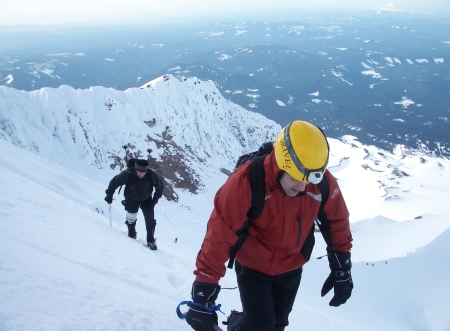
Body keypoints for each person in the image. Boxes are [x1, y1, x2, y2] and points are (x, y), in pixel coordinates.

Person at [185, 120, 353, 331]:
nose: (302, 187)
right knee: (261, 327)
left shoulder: (320, 181)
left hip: (292, 265)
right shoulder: (247, 181)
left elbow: (337, 221)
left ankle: (243, 321)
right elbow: (220, 233)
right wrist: (203, 291)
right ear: (282, 165)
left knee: (279, 323)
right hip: (253, 266)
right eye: (295, 179)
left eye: (308, 181)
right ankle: (239, 325)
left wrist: (342, 267)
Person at [104, 159, 164, 250]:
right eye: (139, 171)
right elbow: (114, 182)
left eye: (144, 172)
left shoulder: (152, 175)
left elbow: (160, 188)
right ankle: (132, 233)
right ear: (135, 169)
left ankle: (150, 240)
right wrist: (109, 194)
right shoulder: (128, 173)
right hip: (131, 199)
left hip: (147, 200)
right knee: (131, 218)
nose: (142, 174)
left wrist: (153, 202)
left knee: (150, 221)